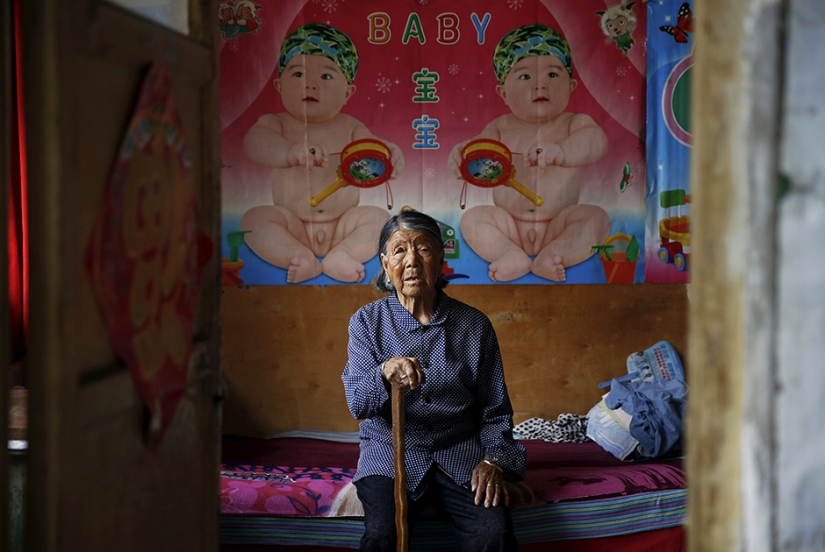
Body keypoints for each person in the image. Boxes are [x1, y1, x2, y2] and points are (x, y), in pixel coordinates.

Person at [341, 211, 527, 551]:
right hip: (390, 453)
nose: (412, 261)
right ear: (385, 264)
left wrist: (493, 461)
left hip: (459, 452)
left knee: (493, 533)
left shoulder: (474, 325)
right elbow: (358, 403)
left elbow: (496, 411)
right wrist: (384, 372)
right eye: (399, 250)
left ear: (440, 260)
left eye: (423, 249)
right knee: (382, 534)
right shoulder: (366, 322)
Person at [241, 22, 404, 284]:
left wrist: (391, 156)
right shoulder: (276, 124)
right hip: (291, 225)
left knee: (378, 219)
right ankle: (298, 256)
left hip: (344, 225)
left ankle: (343, 255)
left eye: (326, 77)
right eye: (298, 74)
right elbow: (255, 143)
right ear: (279, 86)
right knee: (254, 220)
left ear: (347, 92)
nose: (310, 85)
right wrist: (289, 152)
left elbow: (374, 149)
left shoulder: (351, 127)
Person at [448, 23, 611, 283]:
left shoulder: (574, 123)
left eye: (552, 74)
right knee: (474, 219)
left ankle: (554, 255)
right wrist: (461, 157)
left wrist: (562, 150)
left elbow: (596, 142)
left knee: (596, 218)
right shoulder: (500, 127)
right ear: (503, 93)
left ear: (571, 86)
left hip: (559, 223)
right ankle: (509, 254)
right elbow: (478, 151)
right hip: (509, 225)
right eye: (525, 77)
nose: (540, 85)